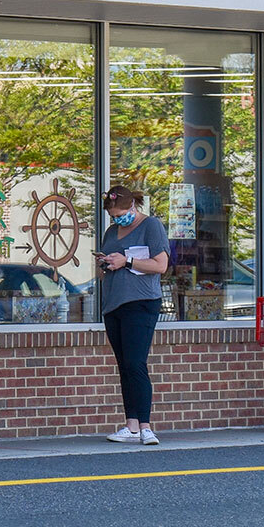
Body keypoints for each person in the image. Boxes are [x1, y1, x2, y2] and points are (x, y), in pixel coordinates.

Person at [97, 185, 170, 446]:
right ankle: (130, 426)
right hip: (114, 304)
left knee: (136, 363)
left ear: (132, 207)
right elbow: (108, 265)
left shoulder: (151, 226)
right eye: (113, 216)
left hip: (141, 302)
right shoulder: (111, 232)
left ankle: (146, 426)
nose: (117, 220)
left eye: (120, 214)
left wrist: (127, 261)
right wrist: (105, 263)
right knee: (124, 365)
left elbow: (160, 265)